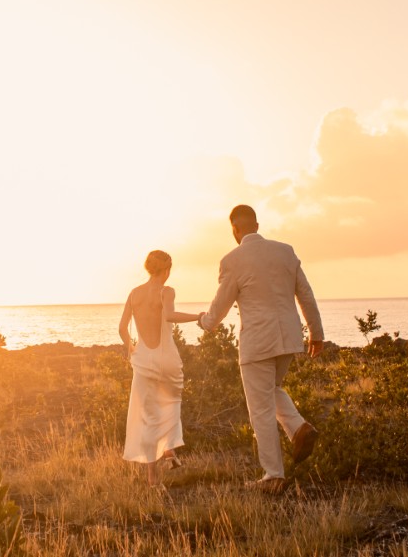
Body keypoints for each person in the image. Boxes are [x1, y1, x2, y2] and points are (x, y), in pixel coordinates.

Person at [198, 204, 324, 494]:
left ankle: (273, 476)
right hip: (288, 339)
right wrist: (316, 334)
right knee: (271, 390)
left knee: (261, 410)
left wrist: (205, 322)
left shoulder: (232, 260)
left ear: (235, 229)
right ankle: (299, 428)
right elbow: (306, 294)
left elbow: (218, 309)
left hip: (258, 343)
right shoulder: (285, 252)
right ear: (256, 224)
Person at [118, 249, 202, 485]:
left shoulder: (134, 293)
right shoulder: (167, 291)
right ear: (166, 269)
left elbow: (122, 328)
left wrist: (131, 348)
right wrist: (199, 316)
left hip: (143, 359)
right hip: (166, 359)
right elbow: (170, 315)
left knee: (148, 416)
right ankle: (169, 449)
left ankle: (153, 477)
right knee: (171, 403)